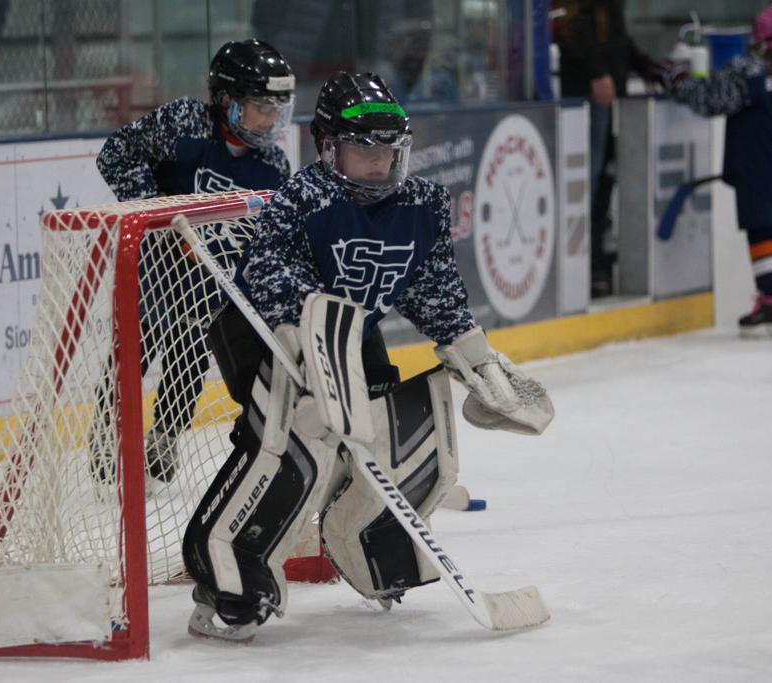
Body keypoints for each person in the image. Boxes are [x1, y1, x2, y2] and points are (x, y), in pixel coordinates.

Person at [181, 71, 554, 642]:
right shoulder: (305, 197)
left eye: (389, 149)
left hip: (350, 331)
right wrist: (307, 347)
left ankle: (373, 546)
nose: (378, 162)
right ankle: (229, 576)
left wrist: (475, 359)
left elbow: (436, 292)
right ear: (329, 145)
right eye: (362, 148)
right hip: (264, 330)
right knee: (295, 432)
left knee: (401, 421)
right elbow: (268, 275)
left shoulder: (422, 205)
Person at [91, 39, 295, 483]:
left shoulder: (274, 164)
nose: (271, 118)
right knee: (136, 347)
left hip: (211, 280)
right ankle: (109, 433)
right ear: (227, 101)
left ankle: (165, 437)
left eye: (278, 106)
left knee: (190, 355)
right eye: (261, 106)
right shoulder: (185, 122)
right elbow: (117, 153)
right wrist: (153, 213)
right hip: (154, 267)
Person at [657, 4, 772, 338]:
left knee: (762, 232)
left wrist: (678, 80)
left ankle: (770, 304)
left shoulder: (748, 71)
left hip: (757, 168)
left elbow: (710, 99)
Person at [550, 0, 659, 297]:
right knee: (588, 183)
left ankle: (596, 264)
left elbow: (619, 45)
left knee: (604, 183)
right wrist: (598, 73)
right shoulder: (574, 12)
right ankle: (583, 265)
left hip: (608, 104)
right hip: (586, 102)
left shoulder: (610, 9)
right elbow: (569, 30)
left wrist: (651, 68)